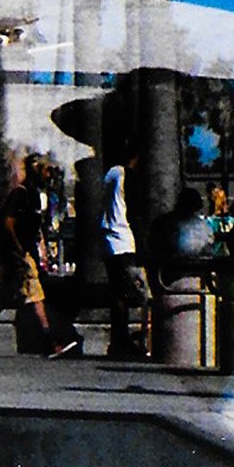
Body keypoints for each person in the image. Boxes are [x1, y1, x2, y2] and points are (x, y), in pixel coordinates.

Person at [0, 151, 82, 358]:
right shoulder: (21, 193)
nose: (50, 176)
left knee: (8, 297)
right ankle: (49, 343)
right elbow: (8, 222)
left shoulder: (36, 196)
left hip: (25, 254)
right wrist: (18, 248)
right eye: (47, 170)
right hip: (19, 255)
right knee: (33, 295)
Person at [101, 145, 150, 358]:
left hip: (109, 239)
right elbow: (135, 212)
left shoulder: (111, 173)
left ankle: (118, 339)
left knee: (117, 293)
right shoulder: (129, 177)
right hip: (125, 240)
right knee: (135, 292)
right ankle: (124, 340)